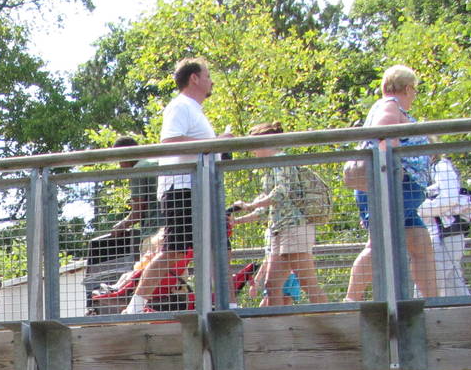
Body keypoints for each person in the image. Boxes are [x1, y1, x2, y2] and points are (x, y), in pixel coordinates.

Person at [124, 58, 216, 315]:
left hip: (201, 188)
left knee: (216, 247)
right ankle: (134, 308)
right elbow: (170, 140)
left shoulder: (195, 110)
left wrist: (219, 147)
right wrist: (213, 144)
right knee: (174, 252)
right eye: (208, 75)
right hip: (181, 188)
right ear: (194, 78)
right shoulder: (180, 106)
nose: (211, 81)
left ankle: (222, 305)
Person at [344, 65, 439, 303]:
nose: (414, 95)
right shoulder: (390, 105)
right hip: (392, 187)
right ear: (407, 88)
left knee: (420, 245)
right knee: (378, 244)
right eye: (414, 89)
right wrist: (395, 161)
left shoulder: (393, 107)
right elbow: (382, 135)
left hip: (402, 189)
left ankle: (433, 305)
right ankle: (350, 302)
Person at [229, 121, 329, 306]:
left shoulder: (281, 162)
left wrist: (250, 205)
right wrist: (239, 220)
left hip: (294, 229)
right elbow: (266, 210)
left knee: (308, 284)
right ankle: (276, 323)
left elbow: (280, 193)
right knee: (272, 285)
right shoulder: (270, 169)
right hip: (279, 231)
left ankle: (331, 318)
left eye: (253, 146)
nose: (252, 151)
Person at [419, 156, 471, 296]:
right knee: (454, 287)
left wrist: (417, 208)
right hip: (439, 234)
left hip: (444, 234)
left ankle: (417, 310)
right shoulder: (426, 170)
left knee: (428, 282)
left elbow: (449, 199)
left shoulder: (441, 166)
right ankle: (469, 310)